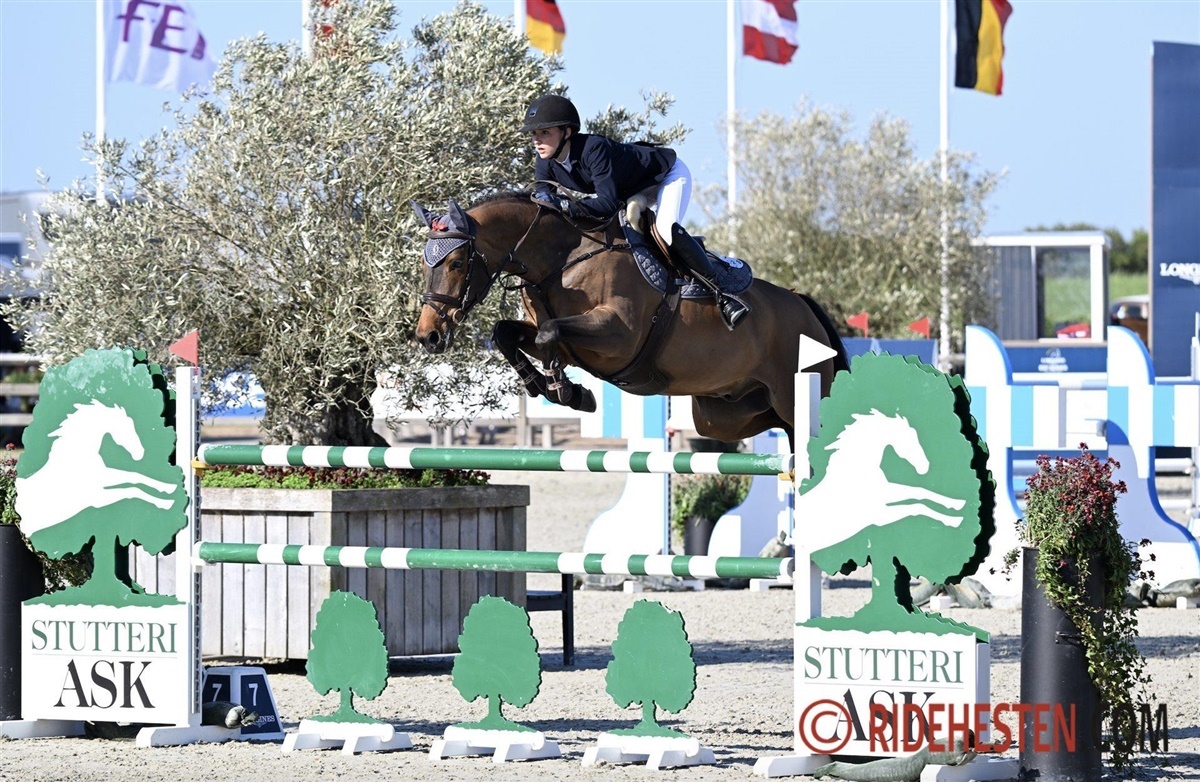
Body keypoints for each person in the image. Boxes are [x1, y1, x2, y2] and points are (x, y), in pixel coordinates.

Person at [520, 94, 750, 330]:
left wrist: (567, 206)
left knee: (665, 230)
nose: (537, 140)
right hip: (630, 192)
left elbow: (607, 204)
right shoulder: (545, 160)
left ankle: (721, 293)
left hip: (665, 177)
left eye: (545, 133)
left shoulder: (593, 149)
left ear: (567, 132)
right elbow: (545, 204)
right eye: (534, 134)